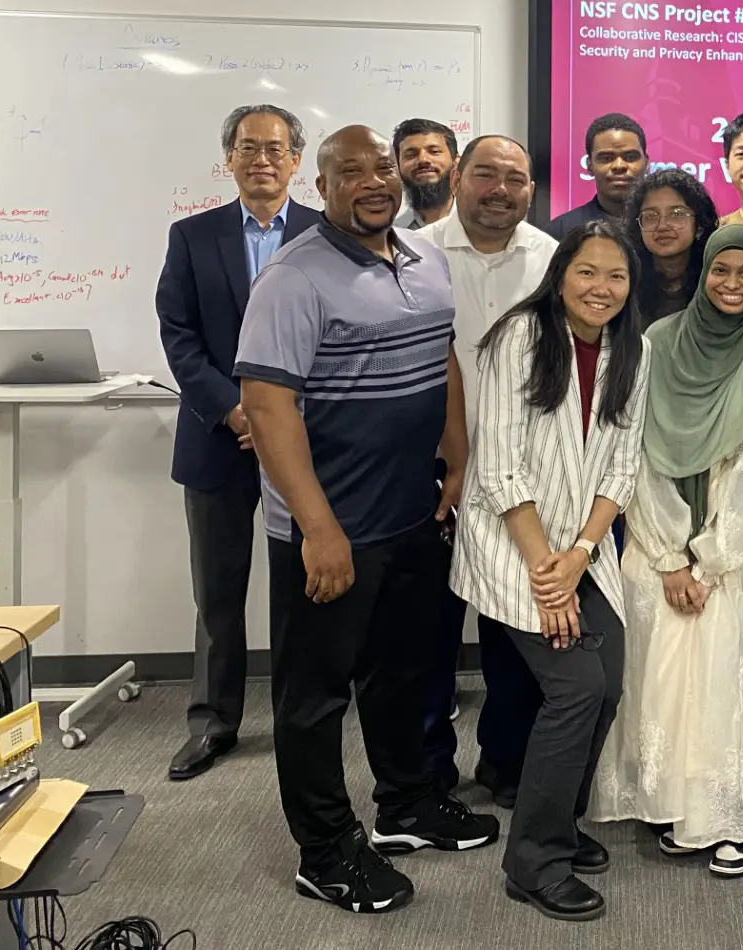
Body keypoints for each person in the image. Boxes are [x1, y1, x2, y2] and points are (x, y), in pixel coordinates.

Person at [234, 124, 499, 914]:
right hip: (331, 530)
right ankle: (323, 850)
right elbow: (266, 405)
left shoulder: (425, 258)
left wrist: (456, 457)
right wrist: (318, 528)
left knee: (405, 672)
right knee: (315, 697)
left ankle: (407, 805)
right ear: (322, 187)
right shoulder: (293, 277)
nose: (374, 180)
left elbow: (441, 356)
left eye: (381, 166)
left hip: (411, 515)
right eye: (350, 172)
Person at [452, 219, 649, 921]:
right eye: (587, 272)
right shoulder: (520, 339)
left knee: (610, 679)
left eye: (616, 275)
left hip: (579, 548)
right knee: (574, 687)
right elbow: (499, 466)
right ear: (560, 274)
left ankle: (559, 822)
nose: (601, 288)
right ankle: (533, 860)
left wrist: (582, 555)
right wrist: (545, 569)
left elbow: (622, 465)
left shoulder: (632, 348)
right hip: (513, 540)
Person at [589, 225, 743, 877]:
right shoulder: (657, 342)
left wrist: (709, 557)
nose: (732, 284)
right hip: (653, 540)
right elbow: (636, 448)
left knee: (718, 679)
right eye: (720, 271)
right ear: (703, 274)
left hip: (724, 548)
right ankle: (673, 805)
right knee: (654, 674)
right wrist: (668, 553)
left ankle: (731, 817)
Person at [157, 104, 323, 782]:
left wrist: (287, 414)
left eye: (275, 149)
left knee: (302, 585)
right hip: (218, 440)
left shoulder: (327, 233)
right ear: (228, 158)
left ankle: (300, 715)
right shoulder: (193, 237)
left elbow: (338, 333)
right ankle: (214, 721)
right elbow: (179, 333)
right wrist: (233, 408)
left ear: (296, 162)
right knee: (218, 591)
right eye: (248, 147)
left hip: (307, 441)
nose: (261, 159)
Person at [414, 134, 559, 805]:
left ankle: (506, 766)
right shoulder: (415, 254)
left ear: (530, 190)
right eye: (486, 175)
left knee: (512, 636)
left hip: (521, 482)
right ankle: (426, 775)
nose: (500, 189)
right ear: (457, 179)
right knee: (425, 640)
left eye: (516, 178)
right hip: (431, 474)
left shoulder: (552, 260)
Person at [625, 169, 720, 321]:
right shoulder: (626, 283)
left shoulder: (717, 280)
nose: (662, 226)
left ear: (699, 225)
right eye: (650, 216)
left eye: (676, 214)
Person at [548, 113, 649, 240]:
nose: (619, 166)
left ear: (646, 164)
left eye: (630, 157)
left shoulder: (668, 228)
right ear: (589, 166)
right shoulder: (561, 232)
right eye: (606, 158)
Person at [393, 118, 458, 228]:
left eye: (434, 151)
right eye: (410, 155)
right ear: (398, 167)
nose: (423, 160)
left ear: (456, 162)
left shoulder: (480, 224)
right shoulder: (393, 235)